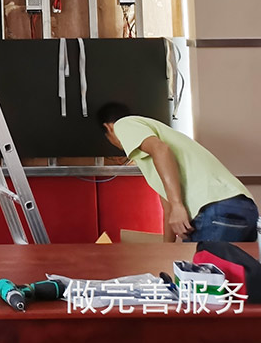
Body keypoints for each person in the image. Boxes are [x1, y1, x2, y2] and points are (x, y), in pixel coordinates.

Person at [98, 102, 258, 243]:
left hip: (215, 210)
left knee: (205, 268)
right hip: (243, 207)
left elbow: (161, 150)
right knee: (235, 269)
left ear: (108, 128)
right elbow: (168, 210)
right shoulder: (157, 155)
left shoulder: (124, 124)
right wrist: (167, 250)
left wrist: (177, 205)